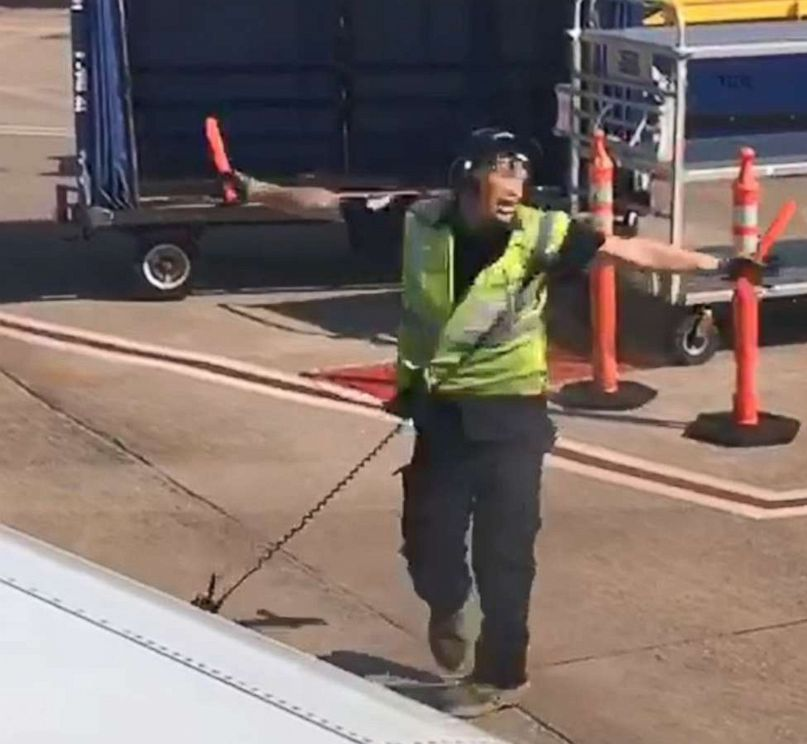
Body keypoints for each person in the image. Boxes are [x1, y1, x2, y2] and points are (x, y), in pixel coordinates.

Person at [227, 129, 757, 718]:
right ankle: (447, 604)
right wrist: (256, 191)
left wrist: (721, 263)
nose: (515, 186)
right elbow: (326, 203)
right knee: (428, 546)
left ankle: (502, 674)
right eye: (502, 171)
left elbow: (627, 251)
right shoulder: (419, 218)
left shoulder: (543, 232)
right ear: (468, 177)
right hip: (440, 411)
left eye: (521, 175)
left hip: (512, 412)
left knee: (505, 553)